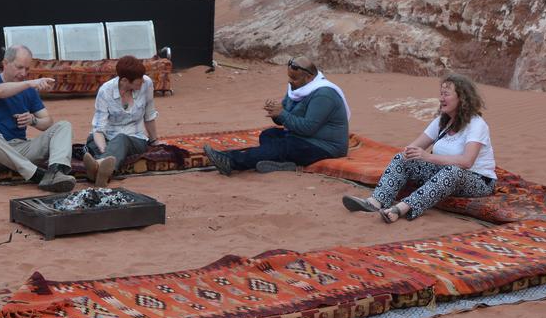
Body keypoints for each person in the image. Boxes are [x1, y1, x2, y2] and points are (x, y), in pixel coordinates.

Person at [342, 73, 496, 222]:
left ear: (462, 98)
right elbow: (415, 146)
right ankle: (376, 202)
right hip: (441, 171)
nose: (441, 99)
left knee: (453, 171)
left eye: (446, 94)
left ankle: (402, 208)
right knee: (402, 159)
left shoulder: (476, 125)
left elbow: (466, 162)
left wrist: (427, 157)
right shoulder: (442, 121)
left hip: (477, 180)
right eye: (441, 94)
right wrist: (409, 152)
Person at [203, 56, 349, 175]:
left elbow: (307, 128)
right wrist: (276, 113)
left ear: (309, 78)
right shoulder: (298, 87)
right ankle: (284, 165)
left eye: (294, 78)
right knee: (268, 135)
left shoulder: (324, 95)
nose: (290, 81)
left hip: (325, 146)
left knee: (283, 146)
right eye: (289, 77)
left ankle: (231, 162)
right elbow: (284, 118)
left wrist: (282, 114)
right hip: (304, 138)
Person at [0, 44, 76, 192]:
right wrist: (29, 83)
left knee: (64, 126)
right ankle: (37, 175)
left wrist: (33, 120)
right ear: (5, 63)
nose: (23, 73)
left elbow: (47, 122)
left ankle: (56, 172)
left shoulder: (28, 91)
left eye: (26, 69)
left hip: (20, 149)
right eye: (19, 67)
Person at [82, 55, 161, 187]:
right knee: (93, 141)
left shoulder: (146, 84)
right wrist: (104, 150)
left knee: (121, 139)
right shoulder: (105, 91)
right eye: (138, 80)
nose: (142, 82)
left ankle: (98, 167)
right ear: (124, 80)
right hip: (105, 138)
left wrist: (154, 141)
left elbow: (149, 115)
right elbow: (98, 129)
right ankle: (102, 170)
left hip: (134, 138)